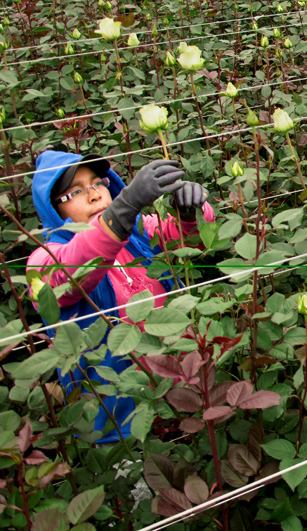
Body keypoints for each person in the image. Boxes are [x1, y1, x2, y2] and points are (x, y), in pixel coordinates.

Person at [28, 150, 215, 443]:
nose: (94, 196)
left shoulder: (136, 231)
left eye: (98, 183)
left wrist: (189, 212)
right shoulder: (42, 260)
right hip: (117, 422)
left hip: (179, 393)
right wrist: (123, 208)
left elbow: (181, 234)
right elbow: (72, 272)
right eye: (75, 191)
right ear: (53, 209)